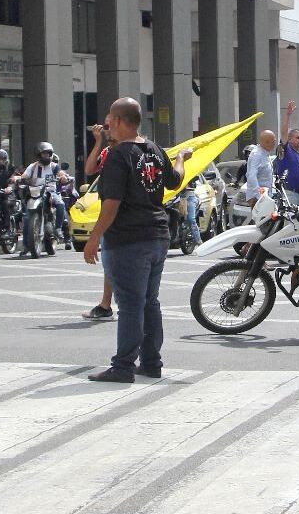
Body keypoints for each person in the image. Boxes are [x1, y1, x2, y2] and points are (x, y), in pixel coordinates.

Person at [84, 97, 190, 383]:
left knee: (131, 304)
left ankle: (123, 367)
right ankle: (151, 362)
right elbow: (175, 180)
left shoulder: (119, 155)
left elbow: (111, 203)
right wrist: (180, 158)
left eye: (109, 119)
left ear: (118, 121)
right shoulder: (154, 150)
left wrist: (94, 238)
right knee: (149, 302)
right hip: (157, 235)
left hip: (129, 239)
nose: (106, 124)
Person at [82, 124, 117, 321]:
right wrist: (98, 141)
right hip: (110, 214)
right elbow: (89, 169)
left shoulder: (130, 151)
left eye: (109, 125)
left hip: (124, 215)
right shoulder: (107, 152)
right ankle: (106, 305)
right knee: (110, 261)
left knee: (118, 261)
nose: (105, 129)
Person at [21, 141, 72, 244]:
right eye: (44, 154)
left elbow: (61, 173)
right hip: (36, 192)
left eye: (48, 154)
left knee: (60, 204)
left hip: (51, 192)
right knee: (27, 217)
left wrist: (63, 177)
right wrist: (18, 178)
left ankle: (58, 228)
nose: (46, 156)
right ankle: (26, 245)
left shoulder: (54, 166)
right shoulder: (33, 166)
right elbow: (24, 176)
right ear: (39, 154)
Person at [274, 101, 299, 206]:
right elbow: (284, 133)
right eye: (298, 137)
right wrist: (288, 115)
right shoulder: (287, 150)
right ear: (289, 139)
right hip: (289, 194)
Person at [245, 130, 276, 209]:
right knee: (260, 221)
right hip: (258, 198)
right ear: (266, 142)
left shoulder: (265, 154)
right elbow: (251, 176)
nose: (274, 144)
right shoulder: (257, 154)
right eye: (273, 141)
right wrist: (259, 195)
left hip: (265, 196)